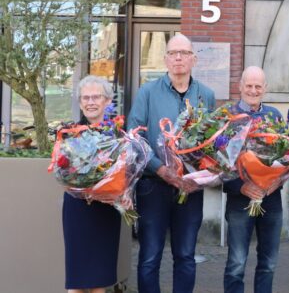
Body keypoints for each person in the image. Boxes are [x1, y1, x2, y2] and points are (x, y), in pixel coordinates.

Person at [128, 34, 215, 293]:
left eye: (184, 53)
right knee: (150, 257)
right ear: (165, 59)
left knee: (186, 256)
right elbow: (135, 137)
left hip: (190, 188)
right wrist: (161, 169)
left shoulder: (206, 95)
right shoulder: (147, 92)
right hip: (153, 186)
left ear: (193, 59)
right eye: (173, 53)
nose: (178, 57)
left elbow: (212, 141)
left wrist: (199, 174)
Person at [222, 66, 283, 293]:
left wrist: (274, 183)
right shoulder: (228, 116)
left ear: (265, 89)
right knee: (236, 263)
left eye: (258, 86)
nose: (253, 90)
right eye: (249, 85)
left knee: (269, 263)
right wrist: (241, 186)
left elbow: (285, 156)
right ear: (240, 87)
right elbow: (218, 163)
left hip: (271, 199)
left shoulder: (274, 116)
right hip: (240, 198)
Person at [62, 75, 122, 293]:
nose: (90, 102)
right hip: (78, 210)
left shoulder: (118, 134)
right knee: (76, 280)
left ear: (107, 101)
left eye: (96, 97)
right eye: (85, 98)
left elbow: (127, 172)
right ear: (80, 103)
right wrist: (81, 187)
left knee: (100, 280)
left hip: (105, 209)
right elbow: (63, 172)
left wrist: (121, 191)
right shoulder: (69, 134)